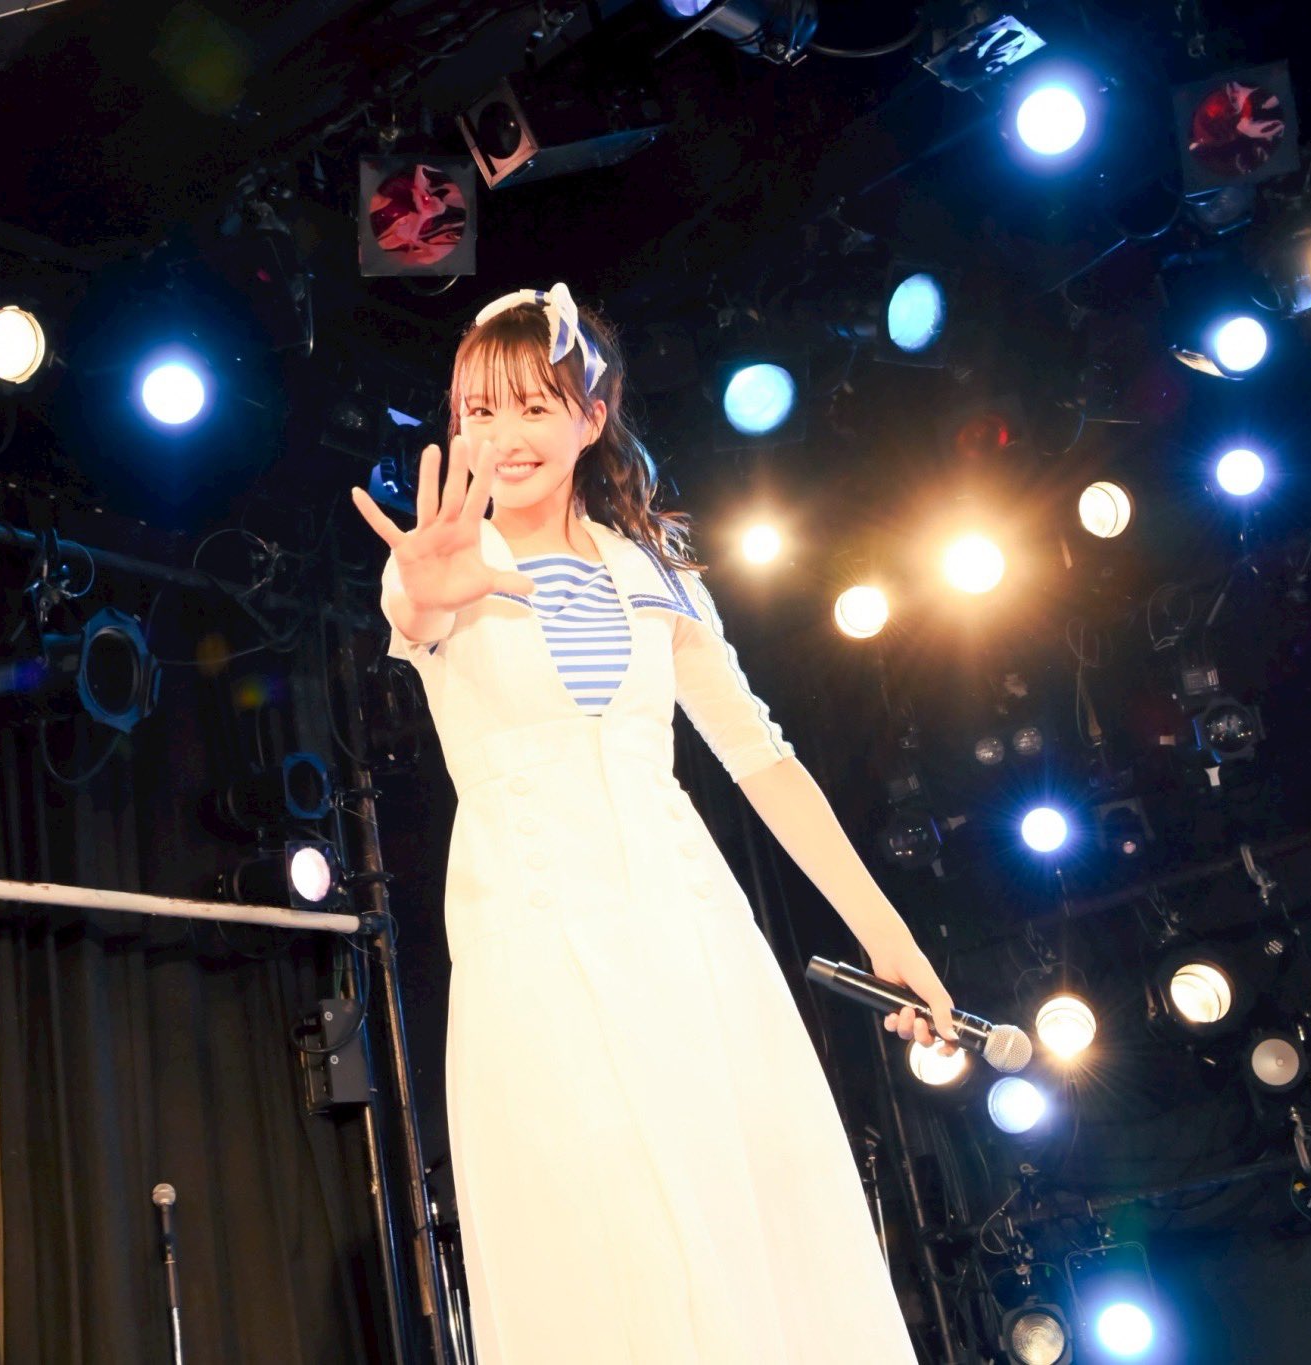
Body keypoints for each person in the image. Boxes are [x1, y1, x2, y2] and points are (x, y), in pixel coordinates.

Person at [349, 282, 955, 1364]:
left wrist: (888, 935)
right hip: (536, 942)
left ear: (591, 417)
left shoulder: (654, 576)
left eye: (533, 406)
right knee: (601, 1244)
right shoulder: (442, 565)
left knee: (754, 1232)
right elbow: (416, 611)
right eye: (478, 411)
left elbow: (762, 758)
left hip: (689, 936)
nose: (502, 435)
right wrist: (427, 585)